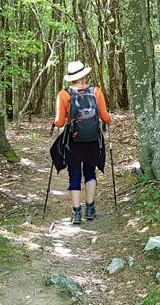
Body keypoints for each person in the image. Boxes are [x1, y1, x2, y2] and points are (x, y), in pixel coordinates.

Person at [54, 60, 112, 224]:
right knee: (90, 173)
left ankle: (77, 213)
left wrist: (65, 119)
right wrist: (109, 120)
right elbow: (105, 118)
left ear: (70, 78)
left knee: (74, 175)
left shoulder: (64, 94)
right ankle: (90, 209)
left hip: (73, 141)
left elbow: (59, 123)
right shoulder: (95, 92)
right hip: (93, 140)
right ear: (84, 75)